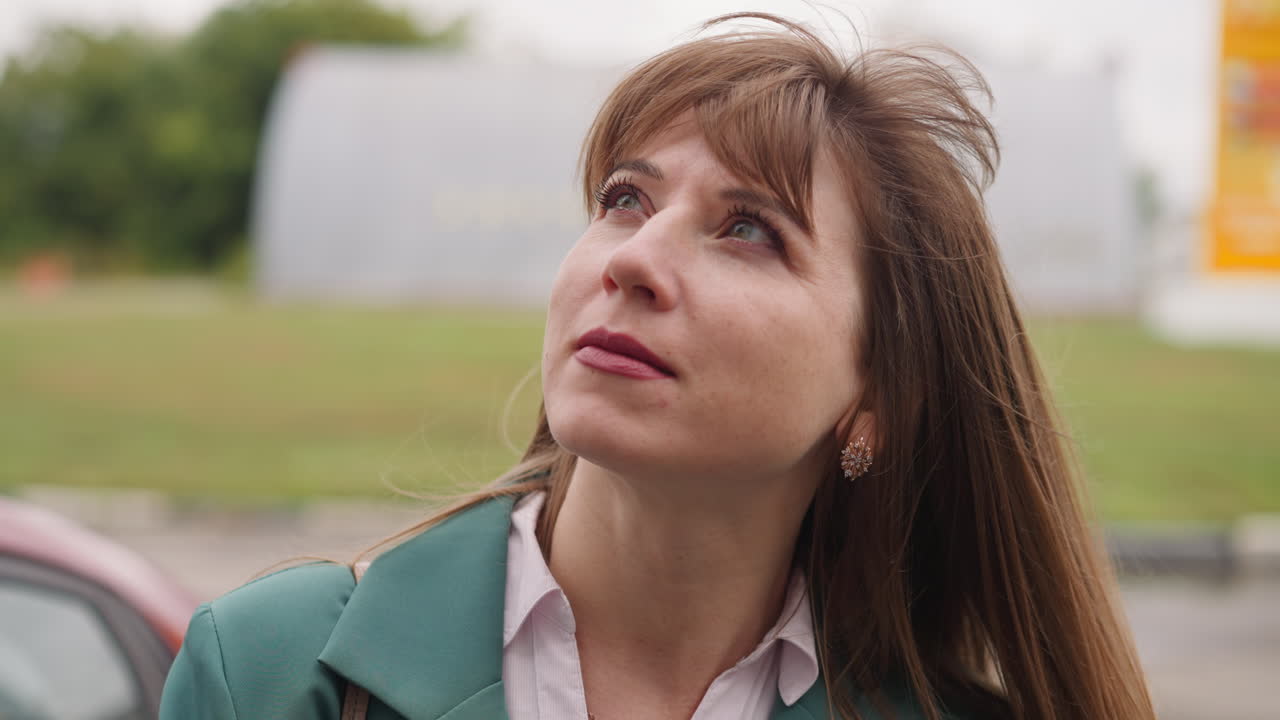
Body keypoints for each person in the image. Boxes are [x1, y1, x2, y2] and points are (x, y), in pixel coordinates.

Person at [159, 13, 1156, 720]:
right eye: (624, 199)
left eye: (749, 230)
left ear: (874, 399)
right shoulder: (271, 671)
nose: (631, 259)